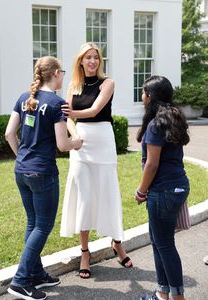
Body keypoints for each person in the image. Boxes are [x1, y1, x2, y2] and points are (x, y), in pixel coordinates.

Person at [5, 56, 82, 300]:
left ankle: (36, 273)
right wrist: (77, 142)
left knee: (33, 223)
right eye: (63, 73)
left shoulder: (24, 98)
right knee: (42, 226)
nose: (64, 77)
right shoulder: (57, 103)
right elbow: (62, 144)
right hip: (43, 172)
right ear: (56, 73)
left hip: (22, 171)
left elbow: (9, 134)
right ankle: (20, 281)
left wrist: (23, 159)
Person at [60, 42, 133, 279]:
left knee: (108, 193)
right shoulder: (73, 85)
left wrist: (72, 115)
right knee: (85, 196)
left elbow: (93, 110)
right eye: (87, 57)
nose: (92, 61)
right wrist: (75, 133)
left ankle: (117, 244)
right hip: (80, 145)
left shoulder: (108, 83)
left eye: (96, 57)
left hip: (102, 140)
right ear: (80, 61)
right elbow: (67, 119)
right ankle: (84, 252)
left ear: (99, 61)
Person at [135, 76, 190, 300]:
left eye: (143, 92)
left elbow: (152, 163)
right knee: (159, 241)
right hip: (177, 186)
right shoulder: (174, 117)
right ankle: (162, 292)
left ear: (150, 96)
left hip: (164, 190)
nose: (141, 96)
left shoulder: (155, 124)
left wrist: (141, 190)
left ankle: (176, 296)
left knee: (164, 244)